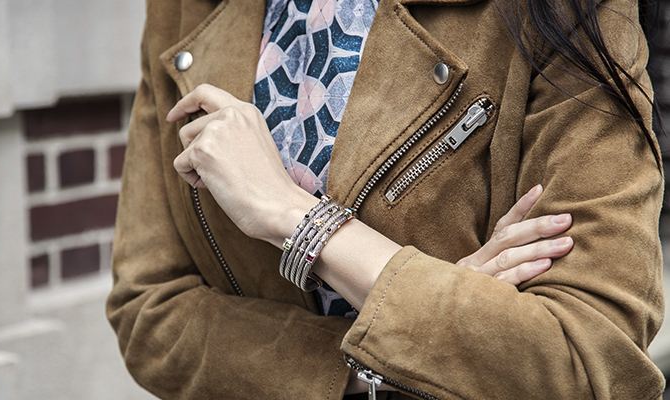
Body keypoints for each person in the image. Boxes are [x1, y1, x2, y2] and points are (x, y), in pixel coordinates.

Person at [106, 0, 665, 398]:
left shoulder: (560, 12)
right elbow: (148, 310)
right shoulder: (184, 8)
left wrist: (296, 218)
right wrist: (405, 340)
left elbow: (593, 361)